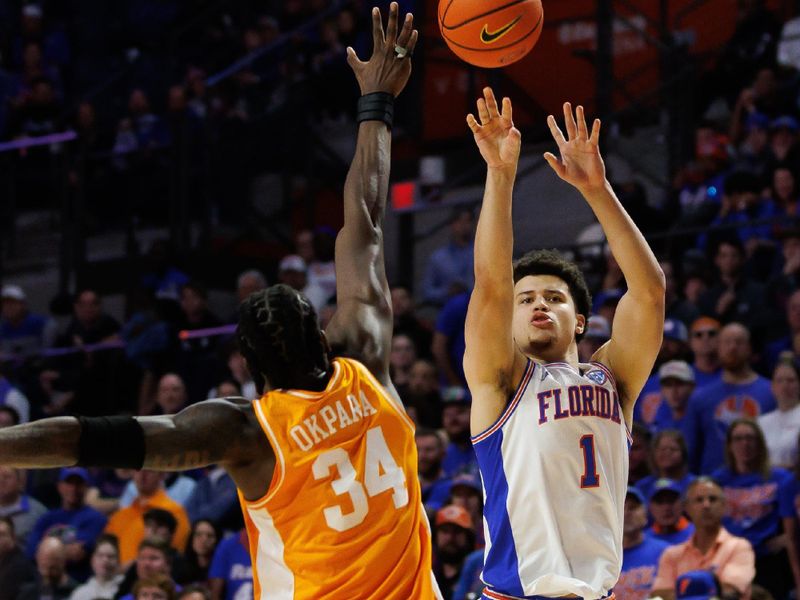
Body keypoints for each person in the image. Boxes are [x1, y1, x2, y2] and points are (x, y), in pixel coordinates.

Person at [0, 5, 438, 599]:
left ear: (247, 366)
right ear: (320, 330)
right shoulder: (364, 350)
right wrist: (376, 103)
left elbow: (89, 436)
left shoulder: (244, 430)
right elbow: (363, 217)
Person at [464, 89, 665, 598]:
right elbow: (490, 286)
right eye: (525, 298)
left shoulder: (612, 378)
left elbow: (649, 292)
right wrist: (500, 175)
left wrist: (597, 190)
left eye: (554, 297)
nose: (538, 304)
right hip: (516, 593)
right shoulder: (501, 381)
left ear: (579, 321)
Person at [712, 418, 793, 599]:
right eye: (738, 439)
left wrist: (787, 538)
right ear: (730, 445)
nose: (745, 444)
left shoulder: (780, 478)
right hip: (729, 560)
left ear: (760, 443)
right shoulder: (718, 480)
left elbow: (794, 514)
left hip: (768, 560)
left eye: (750, 438)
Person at [652, 477, 755, 599]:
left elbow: (731, 591)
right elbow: (659, 595)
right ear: (687, 508)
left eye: (713, 499)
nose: (706, 505)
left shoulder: (739, 547)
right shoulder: (671, 554)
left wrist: (685, 592)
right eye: (699, 500)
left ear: (724, 506)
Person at [614, 487, 669, 600]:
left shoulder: (666, 552)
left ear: (645, 514)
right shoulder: (604, 557)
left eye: (633, 507)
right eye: (620, 508)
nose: (626, 513)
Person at [758, 359, 800, 468]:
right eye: (779, 380)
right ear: (772, 387)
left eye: (790, 380)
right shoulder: (761, 422)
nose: (785, 385)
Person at [69, 534, 124, 600]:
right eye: (100, 555)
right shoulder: (80, 593)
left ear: (118, 561)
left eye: (110, 556)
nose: (105, 560)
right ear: (92, 560)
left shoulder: (126, 588)